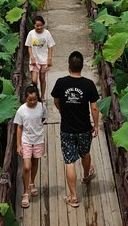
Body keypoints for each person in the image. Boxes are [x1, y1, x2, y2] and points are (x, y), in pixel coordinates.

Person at [51, 51, 100, 209]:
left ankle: (73, 197)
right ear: (82, 67)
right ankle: (85, 176)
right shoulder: (89, 84)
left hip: (67, 128)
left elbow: (56, 101)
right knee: (85, 153)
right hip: (84, 127)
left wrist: (62, 111)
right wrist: (96, 125)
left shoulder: (60, 82)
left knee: (70, 160)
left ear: (68, 66)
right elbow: (94, 107)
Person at [13, 85, 47, 208]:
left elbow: (42, 118)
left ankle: (32, 183)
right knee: (26, 166)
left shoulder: (42, 107)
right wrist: (18, 145)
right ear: (25, 99)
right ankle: (25, 192)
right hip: (26, 140)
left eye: (34, 99)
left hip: (38, 139)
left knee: (35, 162)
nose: (33, 102)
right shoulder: (21, 111)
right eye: (30, 100)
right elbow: (19, 127)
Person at [25, 16, 55, 104]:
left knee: (42, 79)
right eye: (37, 26)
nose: (39, 27)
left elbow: (50, 47)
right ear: (34, 25)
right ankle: (35, 96)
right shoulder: (31, 34)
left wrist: (49, 58)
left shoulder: (47, 33)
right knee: (34, 80)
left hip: (44, 60)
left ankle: (42, 96)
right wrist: (32, 57)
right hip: (35, 60)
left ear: (43, 25)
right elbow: (29, 46)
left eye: (41, 25)